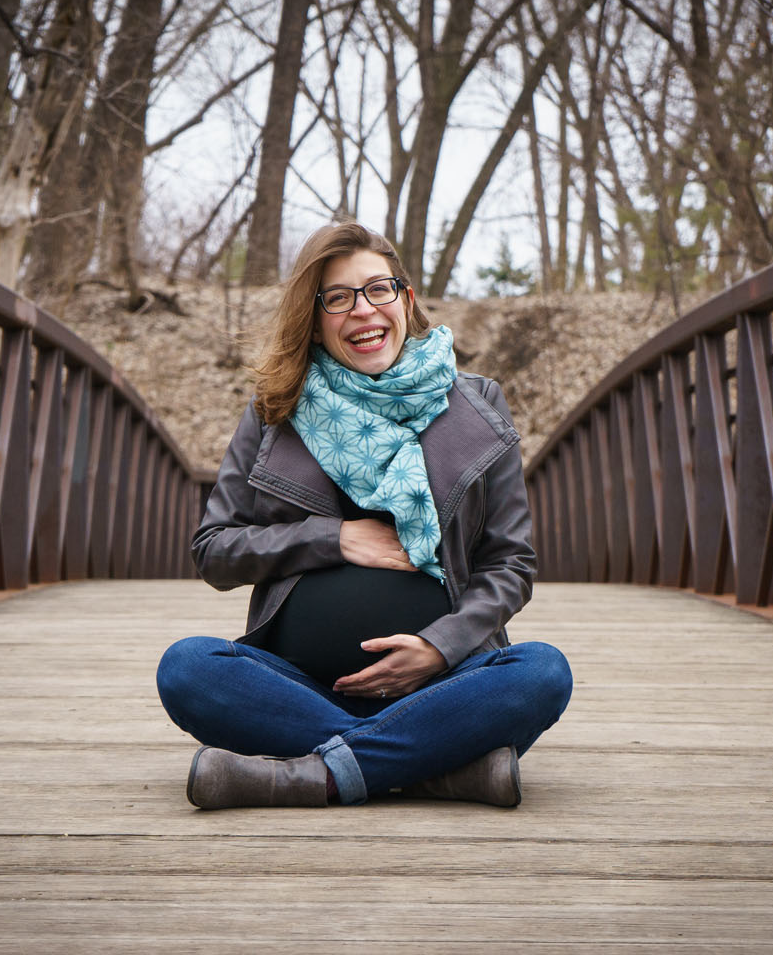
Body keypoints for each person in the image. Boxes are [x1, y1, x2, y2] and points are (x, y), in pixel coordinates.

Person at [156, 222, 571, 809]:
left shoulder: (476, 404)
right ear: (315, 317)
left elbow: (510, 563)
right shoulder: (276, 409)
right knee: (188, 667)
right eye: (339, 297)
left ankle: (315, 772)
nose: (363, 310)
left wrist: (439, 646)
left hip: (442, 683)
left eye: (379, 289)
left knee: (543, 672)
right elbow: (215, 550)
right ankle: (428, 769)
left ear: (404, 297)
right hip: (297, 684)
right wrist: (334, 538)